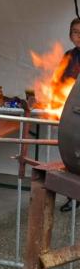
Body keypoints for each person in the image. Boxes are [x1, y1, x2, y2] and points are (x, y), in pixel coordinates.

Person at [55, 18, 80, 212]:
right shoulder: (68, 56)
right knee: (72, 158)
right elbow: (59, 82)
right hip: (72, 116)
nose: (79, 35)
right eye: (75, 31)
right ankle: (73, 197)